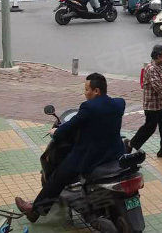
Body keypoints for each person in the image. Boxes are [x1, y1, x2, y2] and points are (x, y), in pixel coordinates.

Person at [15, 73, 125, 221]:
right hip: (114, 153)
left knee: (58, 178)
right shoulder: (119, 104)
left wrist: (56, 132)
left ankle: (35, 211)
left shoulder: (88, 107)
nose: (85, 93)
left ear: (96, 91)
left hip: (90, 156)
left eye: (87, 89)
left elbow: (71, 125)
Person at [127, 45, 162, 158]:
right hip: (152, 105)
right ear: (159, 56)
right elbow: (159, 87)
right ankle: (130, 144)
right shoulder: (151, 69)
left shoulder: (160, 66)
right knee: (149, 127)